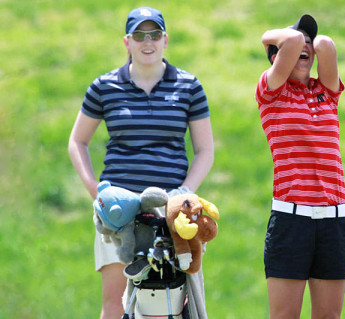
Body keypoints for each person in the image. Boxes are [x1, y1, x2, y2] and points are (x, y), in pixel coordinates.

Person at [68, 7, 214, 319]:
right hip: (118, 211)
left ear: (165, 39)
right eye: (139, 35)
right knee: (115, 302)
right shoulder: (104, 86)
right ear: (127, 42)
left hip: (171, 211)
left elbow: (205, 150)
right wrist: (96, 191)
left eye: (155, 34)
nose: (147, 41)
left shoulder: (189, 86)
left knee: (174, 301)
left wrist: (184, 193)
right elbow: (77, 141)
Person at [255, 14, 345, 319]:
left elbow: (326, 45)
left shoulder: (326, 90)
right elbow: (296, 42)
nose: (306, 45)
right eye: (296, 41)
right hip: (291, 220)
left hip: (333, 220)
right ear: (276, 55)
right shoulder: (271, 92)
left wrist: (309, 40)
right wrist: (274, 36)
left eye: (307, 42)